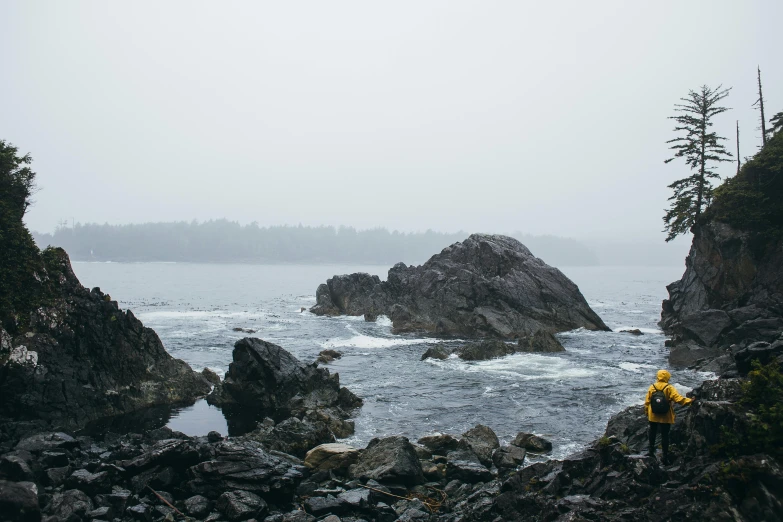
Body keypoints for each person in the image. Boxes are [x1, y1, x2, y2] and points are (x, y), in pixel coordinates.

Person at [644, 369, 693, 464]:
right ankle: (665, 456)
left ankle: (650, 451)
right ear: (667, 377)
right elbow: (678, 399)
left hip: (653, 415)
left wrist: (647, 412)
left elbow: (647, 402)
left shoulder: (652, 387)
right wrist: (690, 401)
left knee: (652, 432)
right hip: (665, 415)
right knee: (665, 435)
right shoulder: (669, 388)